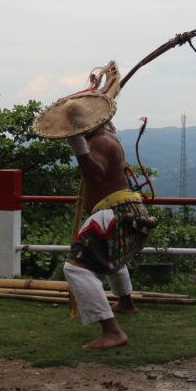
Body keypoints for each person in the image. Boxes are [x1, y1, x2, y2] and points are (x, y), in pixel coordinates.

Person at [58, 65, 157, 349]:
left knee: (76, 268)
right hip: (126, 212)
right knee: (112, 260)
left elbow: (95, 174)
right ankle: (126, 303)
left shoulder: (99, 141)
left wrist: (77, 145)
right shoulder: (106, 136)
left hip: (112, 214)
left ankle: (112, 330)